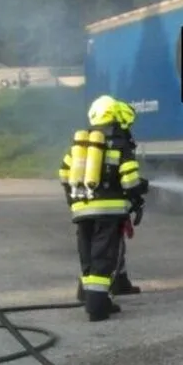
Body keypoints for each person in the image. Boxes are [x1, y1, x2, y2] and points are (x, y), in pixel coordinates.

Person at [58, 95, 148, 321]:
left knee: (88, 253)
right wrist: (140, 190)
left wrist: (74, 200)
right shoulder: (120, 143)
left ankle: (88, 294)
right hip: (109, 210)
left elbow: (64, 174)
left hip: (81, 208)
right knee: (104, 254)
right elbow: (129, 180)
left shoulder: (81, 144)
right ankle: (97, 307)